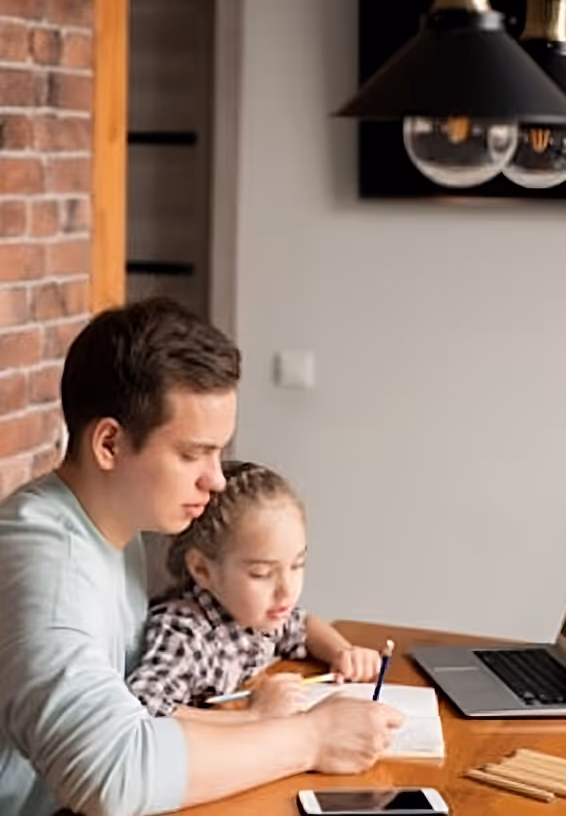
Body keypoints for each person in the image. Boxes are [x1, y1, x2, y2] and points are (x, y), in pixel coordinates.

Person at [0, 298, 402, 816]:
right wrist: (311, 738)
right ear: (109, 444)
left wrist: (256, 721)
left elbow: (127, 714)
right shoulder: (48, 568)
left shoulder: (112, 530)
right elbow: (112, 776)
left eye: (217, 452)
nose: (215, 479)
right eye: (192, 454)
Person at [127, 460, 382, 719]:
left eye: (297, 565)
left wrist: (343, 652)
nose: (286, 591)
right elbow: (143, 708)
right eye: (262, 574)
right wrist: (252, 716)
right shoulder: (185, 633)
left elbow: (302, 626)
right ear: (202, 570)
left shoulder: (257, 613)